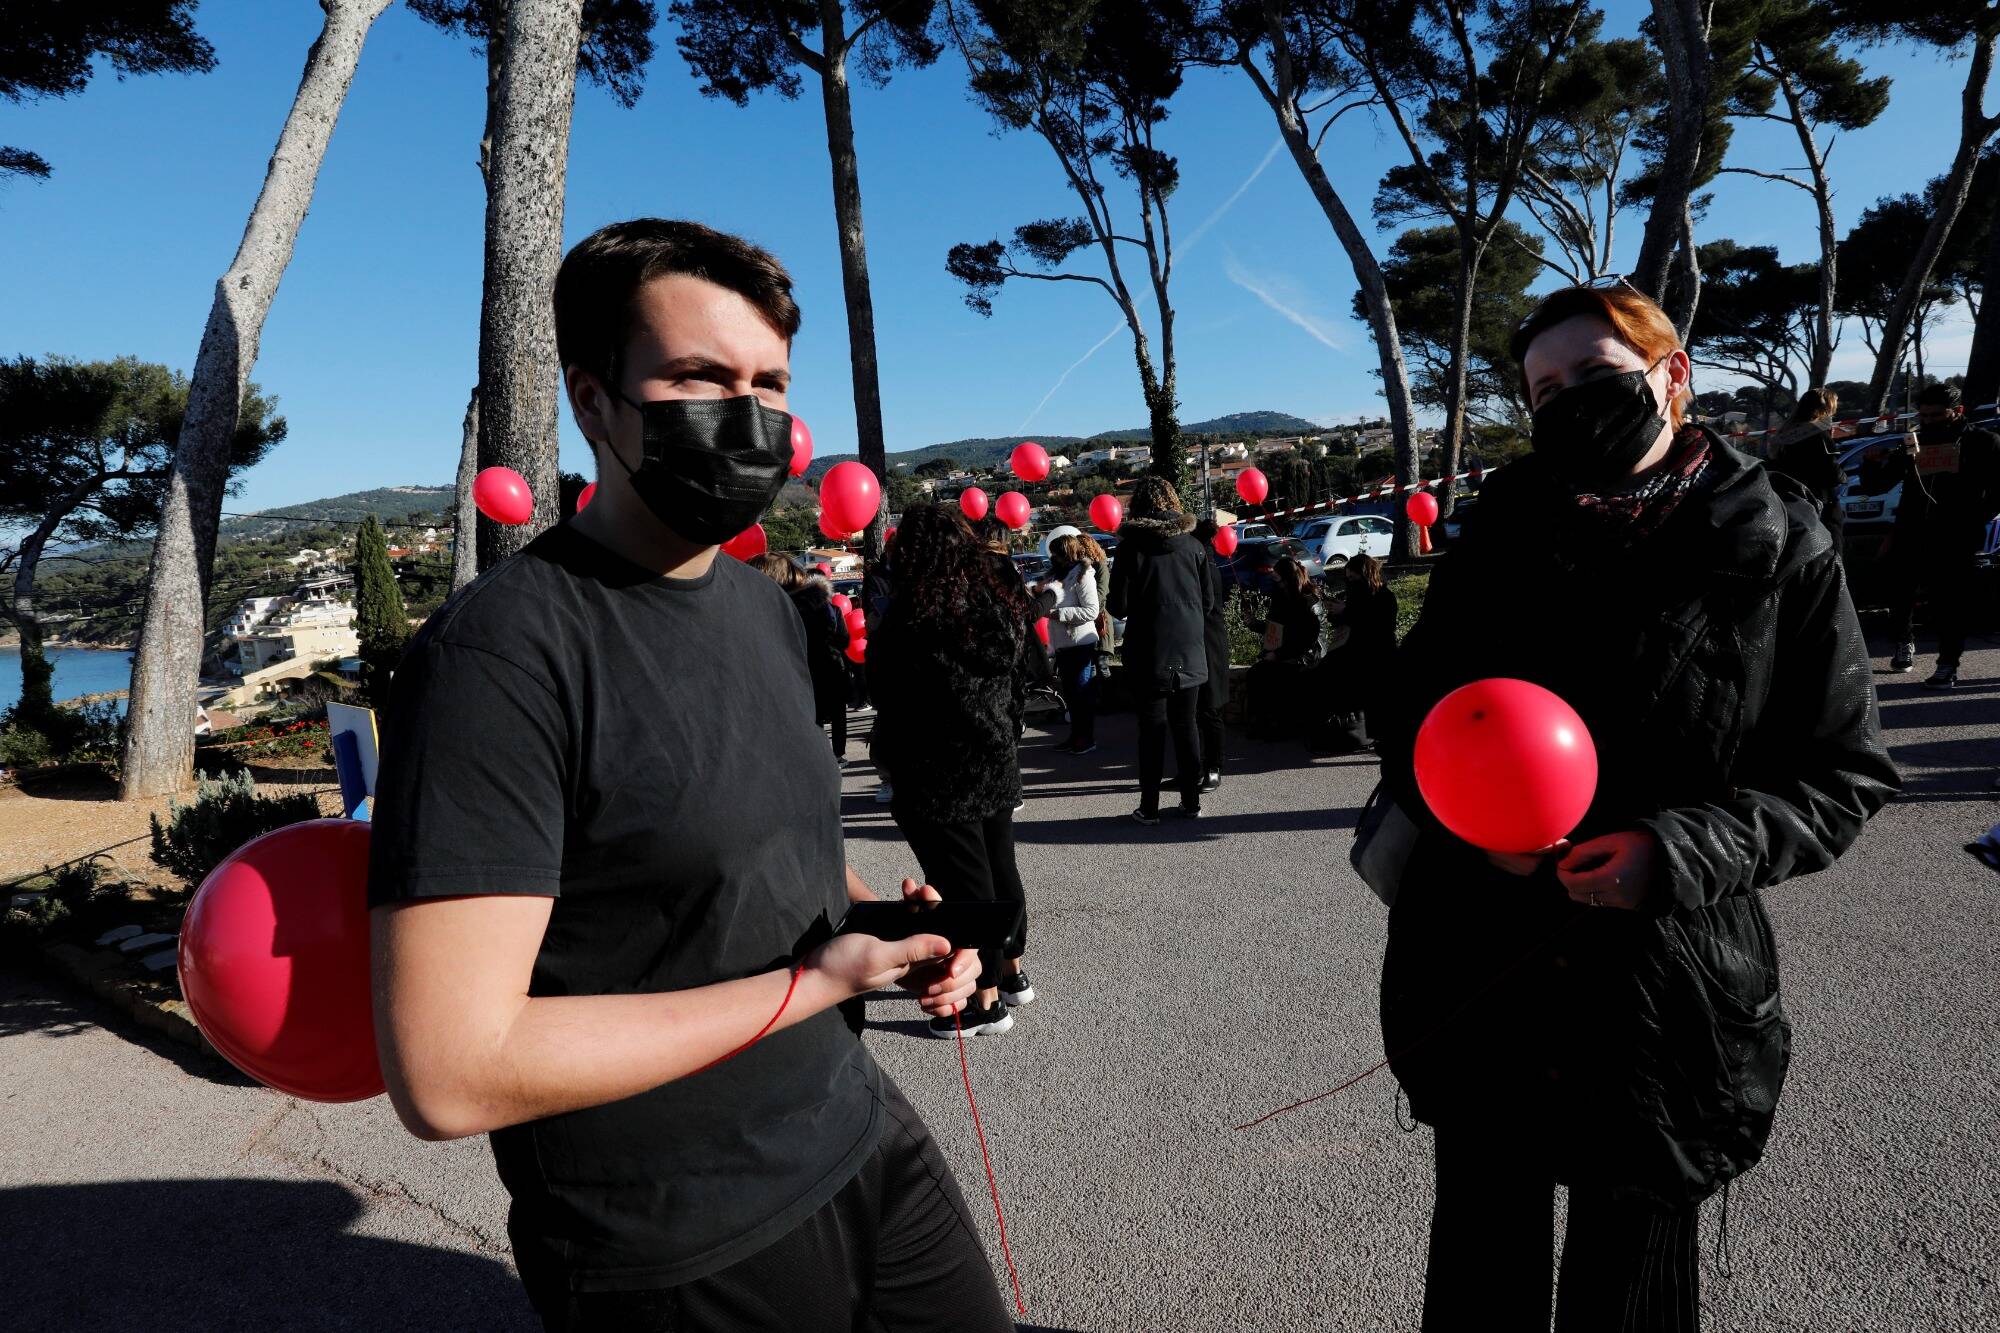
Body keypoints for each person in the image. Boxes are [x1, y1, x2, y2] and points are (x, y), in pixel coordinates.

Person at [366, 219, 1013, 1333]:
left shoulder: (768, 610)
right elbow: (451, 1071)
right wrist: (815, 985)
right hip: (670, 1239)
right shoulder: (500, 658)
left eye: (767, 383)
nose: (746, 417)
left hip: (854, 1130)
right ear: (594, 401)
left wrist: (884, 932)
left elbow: (738, 860)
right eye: (698, 376)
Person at [1373, 281, 1898, 1332]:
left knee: (1633, 1276)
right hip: (1482, 959)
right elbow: (1414, 724)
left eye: (1595, 375)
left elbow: (1844, 776)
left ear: (1672, 374)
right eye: (1543, 388)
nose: (1568, 400)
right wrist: (1475, 830)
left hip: (1666, 984)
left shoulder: (1779, 542)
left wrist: (1676, 849)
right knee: (1480, 1263)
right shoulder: (1498, 533)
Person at [869, 503, 1038, 1033]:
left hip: (935, 768)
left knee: (961, 884)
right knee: (998, 867)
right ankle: (1011, 971)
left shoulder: (911, 613)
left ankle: (982, 1000)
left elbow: (884, 694)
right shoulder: (996, 600)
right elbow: (1018, 680)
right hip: (993, 755)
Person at [1857, 383, 2000, 685]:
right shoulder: (1913, 442)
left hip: (1956, 534)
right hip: (1912, 528)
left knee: (1949, 600)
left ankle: (1948, 662)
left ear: (1957, 412)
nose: (1928, 421)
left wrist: (1975, 517)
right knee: (1900, 591)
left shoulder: (1983, 442)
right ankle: (1903, 641)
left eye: (1936, 416)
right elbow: (1878, 485)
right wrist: (1870, 465)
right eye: (1923, 416)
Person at [1108, 476, 1217, 824]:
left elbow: (1119, 607)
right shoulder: (1194, 546)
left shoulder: (1130, 549)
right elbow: (1208, 601)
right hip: (1190, 648)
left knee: (1151, 731)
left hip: (1149, 650)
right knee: (1187, 726)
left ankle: (1150, 806)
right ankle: (1191, 802)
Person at [748, 553, 851, 760]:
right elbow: (843, 639)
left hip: (804, 681)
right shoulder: (825, 608)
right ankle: (836, 754)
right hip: (829, 670)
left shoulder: (784, 612)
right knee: (833, 718)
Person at [1312, 551, 1397, 750]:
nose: (1350, 582)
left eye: (1353, 578)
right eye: (1347, 578)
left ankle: (1363, 733)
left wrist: (1346, 611)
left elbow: (1377, 626)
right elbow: (1347, 623)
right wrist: (1335, 612)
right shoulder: (1355, 596)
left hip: (1376, 655)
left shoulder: (1384, 597)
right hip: (1353, 652)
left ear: (1365, 576)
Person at [1245, 556, 1325, 740]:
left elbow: (1308, 639)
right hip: (1287, 652)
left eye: (1278, 579)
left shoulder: (1308, 602)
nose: (1276, 584)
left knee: (1275, 675)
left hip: (1306, 655)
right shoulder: (1284, 599)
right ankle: (1262, 723)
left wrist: (1279, 654)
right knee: (1256, 673)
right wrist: (1254, 624)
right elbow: (1276, 628)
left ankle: (1278, 725)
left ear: (1287, 578)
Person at [1036, 533, 1102, 754]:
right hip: (1063, 643)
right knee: (1072, 696)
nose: (1052, 557)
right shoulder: (1056, 575)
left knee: (1082, 694)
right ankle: (1075, 735)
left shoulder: (1084, 576)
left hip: (1080, 642)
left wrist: (1058, 614)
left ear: (1066, 553)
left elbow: (1091, 610)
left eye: (1056, 553)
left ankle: (1087, 738)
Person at [1766, 387, 1847, 547]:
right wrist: (1844, 476)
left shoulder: (1783, 436)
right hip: (1821, 504)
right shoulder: (1819, 435)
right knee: (1831, 552)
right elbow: (1832, 474)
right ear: (1826, 408)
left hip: (1790, 504)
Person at [1185, 519, 1231, 793]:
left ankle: (1213, 767)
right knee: (1199, 712)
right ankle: (1200, 766)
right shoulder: (1205, 563)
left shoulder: (1204, 568)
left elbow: (1204, 607)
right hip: (1205, 645)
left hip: (1209, 646)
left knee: (1209, 710)